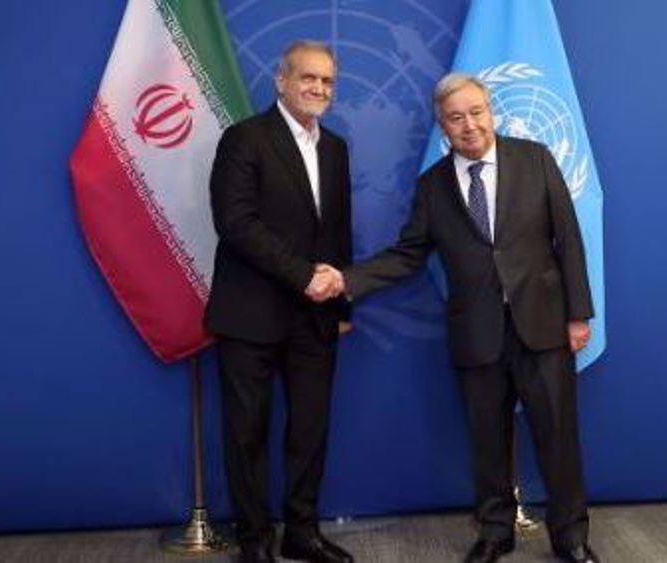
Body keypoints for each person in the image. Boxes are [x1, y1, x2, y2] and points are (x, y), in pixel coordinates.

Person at [311, 73, 600, 563]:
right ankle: (494, 533)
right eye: (456, 117)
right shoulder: (432, 186)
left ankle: (570, 537)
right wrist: (347, 279)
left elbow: (568, 240)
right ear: (443, 126)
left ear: (492, 111)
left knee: (558, 437)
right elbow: (407, 255)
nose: (469, 125)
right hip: (476, 332)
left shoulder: (536, 160)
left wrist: (578, 315)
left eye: (476, 112)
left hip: (543, 326)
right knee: (486, 439)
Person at [205, 40, 353, 563]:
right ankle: (254, 540)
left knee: (310, 431)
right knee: (247, 435)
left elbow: (336, 232)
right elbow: (236, 223)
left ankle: (302, 532)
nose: (318, 88)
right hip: (250, 314)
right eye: (308, 78)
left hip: (315, 319)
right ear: (281, 81)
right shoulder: (243, 140)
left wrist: (340, 307)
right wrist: (301, 276)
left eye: (328, 82)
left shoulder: (335, 148)